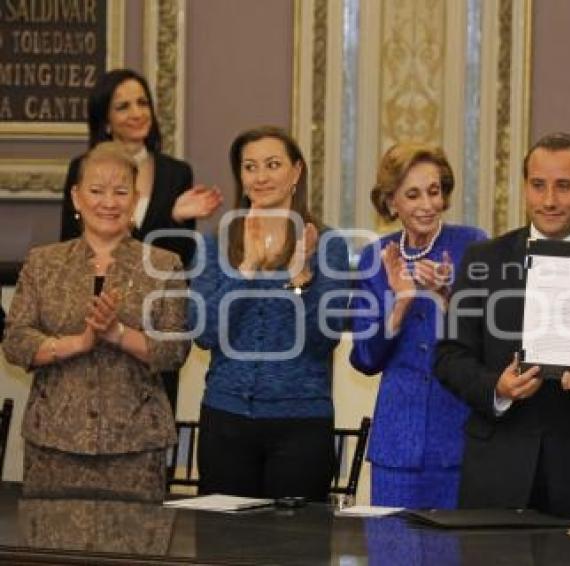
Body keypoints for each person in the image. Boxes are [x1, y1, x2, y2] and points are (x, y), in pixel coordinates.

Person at [434, 133, 570, 521]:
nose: (549, 200)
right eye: (538, 186)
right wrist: (498, 388)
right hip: (496, 476)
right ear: (525, 189)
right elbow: (450, 356)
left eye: (564, 186)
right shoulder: (483, 259)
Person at [2, 142, 190, 501]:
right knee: (53, 553)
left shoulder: (164, 265)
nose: (108, 202)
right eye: (96, 191)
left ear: (135, 199)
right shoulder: (43, 263)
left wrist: (117, 333)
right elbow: (16, 341)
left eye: (121, 192)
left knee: (134, 554)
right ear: (76, 197)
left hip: (135, 446)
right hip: (54, 443)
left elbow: (174, 350)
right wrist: (77, 343)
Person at [189, 126, 349, 501]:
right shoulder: (214, 245)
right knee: (223, 546)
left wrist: (299, 279)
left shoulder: (328, 246)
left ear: (296, 172)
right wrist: (246, 269)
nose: (261, 177)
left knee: (295, 550)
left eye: (273, 164)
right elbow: (204, 332)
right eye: (250, 167)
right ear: (240, 178)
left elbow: (322, 340)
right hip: (225, 419)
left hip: (302, 424)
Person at [59, 68, 222, 412]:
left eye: (142, 103)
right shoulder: (81, 168)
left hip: (153, 324)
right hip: (94, 321)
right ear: (105, 120)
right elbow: (71, 246)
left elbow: (176, 259)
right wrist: (168, 217)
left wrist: (176, 221)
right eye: (123, 107)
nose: (136, 113)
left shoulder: (176, 172)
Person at [349, 143, 487, 508]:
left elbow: (491, 336)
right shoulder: (374, 257)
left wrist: (446, 296)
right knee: (393, 552)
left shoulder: (473, 245)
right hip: (397, 442)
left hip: (458, 434)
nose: (427, 204)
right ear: (392, 202)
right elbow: (363, 358)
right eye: (413, 194)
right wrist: (401, 302)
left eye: (434, 191)